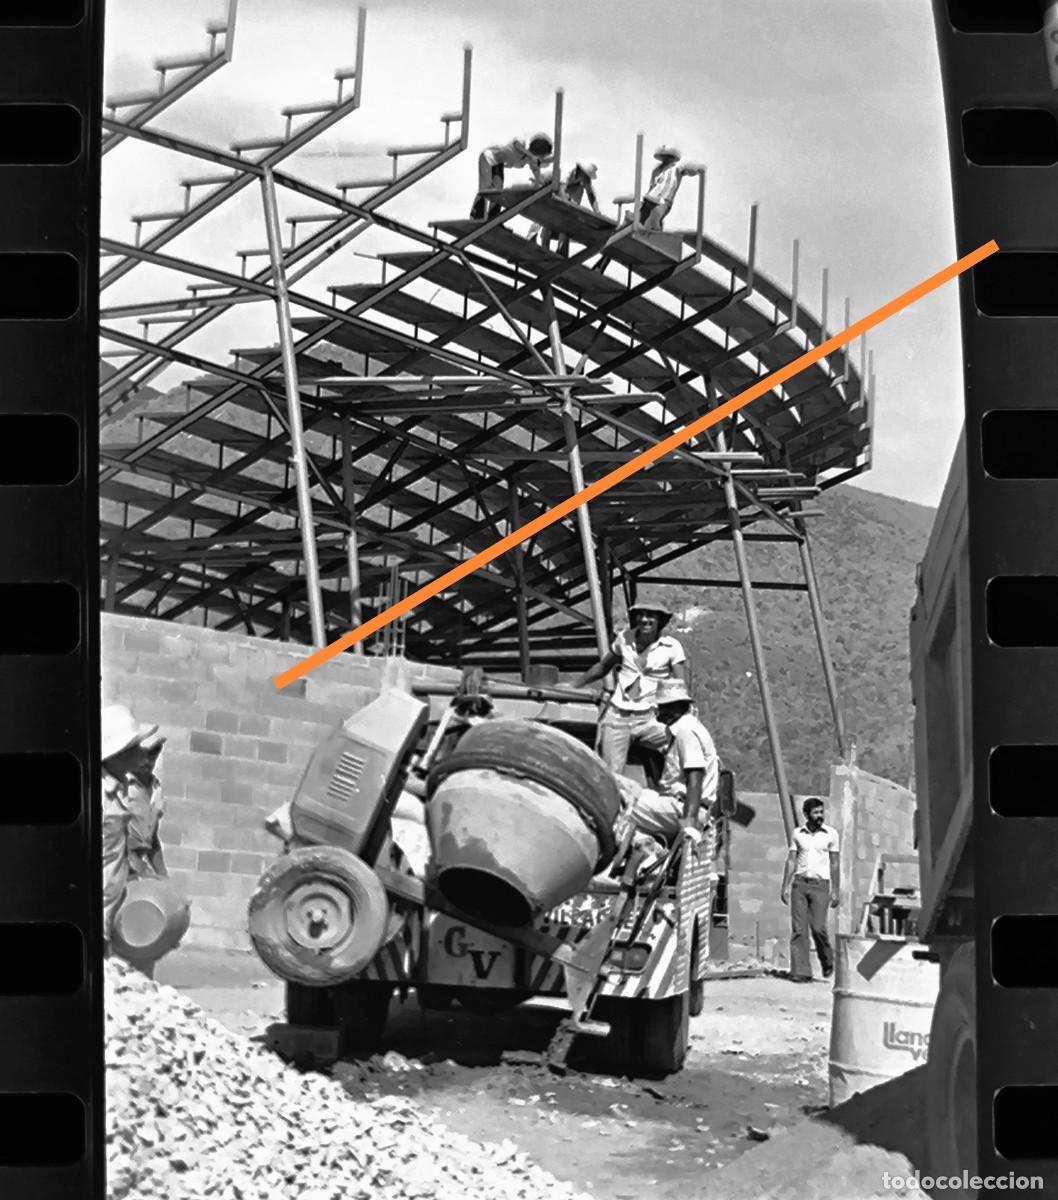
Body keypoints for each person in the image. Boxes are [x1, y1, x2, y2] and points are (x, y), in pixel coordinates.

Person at [574, 601, 686, 777]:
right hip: (618, 716)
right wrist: (575, 685)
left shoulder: (671, 647)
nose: (644, 620)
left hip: (650, 718)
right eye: (640, 615)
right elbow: (604, 666)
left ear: (659, 621)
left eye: (650, 616)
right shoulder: (624, 639)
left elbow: (679, 684)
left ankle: (677, 791)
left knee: (685, 739)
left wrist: (683, 716)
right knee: (611, 774)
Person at [102, 704, 169, 974]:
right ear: (117, 753)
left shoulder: (118, 790)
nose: (142, 755)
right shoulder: (100, 794)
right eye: (134, 749)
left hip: (110, 902)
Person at [623, 677, 719, 842]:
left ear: (675, 708)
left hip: (682, 809)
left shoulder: (686, 733)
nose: (658, 711)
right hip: (679, 804)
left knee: (619, 808)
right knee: (634, 794)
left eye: (662, 707)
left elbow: (694, 778)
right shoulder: (685, 729)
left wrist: (689, 823)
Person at [780, 797, 841, 983]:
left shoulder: (831, 834)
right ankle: (801, 971)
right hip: (800, 884)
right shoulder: (798, 834)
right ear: (806, 814)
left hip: (820, 886)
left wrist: (836, 890)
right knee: (799, 929)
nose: (820, 816)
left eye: (821, 812)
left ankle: (827, 959)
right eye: (815, 813)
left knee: (818, 927)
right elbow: (791, 860)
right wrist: (785, 885)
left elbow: (835, 862)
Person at [470, 133, 554, 221]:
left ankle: (493, 217)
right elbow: (516, 144)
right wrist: (531, 156)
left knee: (497, 190)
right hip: (488, 156)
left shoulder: (528, 160)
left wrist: (539, 183)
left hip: (498, 163)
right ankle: (476, 216)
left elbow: (537, 172)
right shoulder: (523, 143)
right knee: (486, 187)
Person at [532, 160, 602, 254]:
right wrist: (567, 206)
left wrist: (597, 212)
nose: (587, 179)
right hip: (547, 183)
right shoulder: (568, 170)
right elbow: (561, 189)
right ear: (582, 172)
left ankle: (561, 249)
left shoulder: (583, 180)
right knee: (546, 214)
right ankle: (533, 238)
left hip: (565, 187)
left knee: (567, 218)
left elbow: (590, 194)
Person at [638, 145, 696, 231]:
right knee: (641, 219)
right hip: (650, 199)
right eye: (665, 156)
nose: (667, 159)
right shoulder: (656, 170)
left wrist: (693, 170)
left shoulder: (676, 168)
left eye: (669, 157)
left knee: (655, 216)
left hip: (663, 201)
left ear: (673, 158)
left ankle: (656, 235)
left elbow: (688, 169)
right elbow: (652, 186)